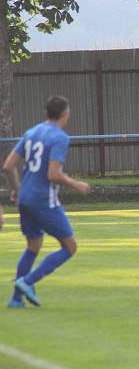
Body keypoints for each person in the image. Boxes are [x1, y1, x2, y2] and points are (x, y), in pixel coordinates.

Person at [2, 96, 90, 308]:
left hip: (25, 198)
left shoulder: (31, 132)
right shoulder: (60, 137)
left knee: (33, 245)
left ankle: (16, 299)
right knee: (69, 247)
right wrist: (76, 184)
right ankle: (27, 281)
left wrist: (17, 189)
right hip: (43, 199)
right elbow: (53, 174)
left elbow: (8, 166)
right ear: (66, 114)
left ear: (46, 113)